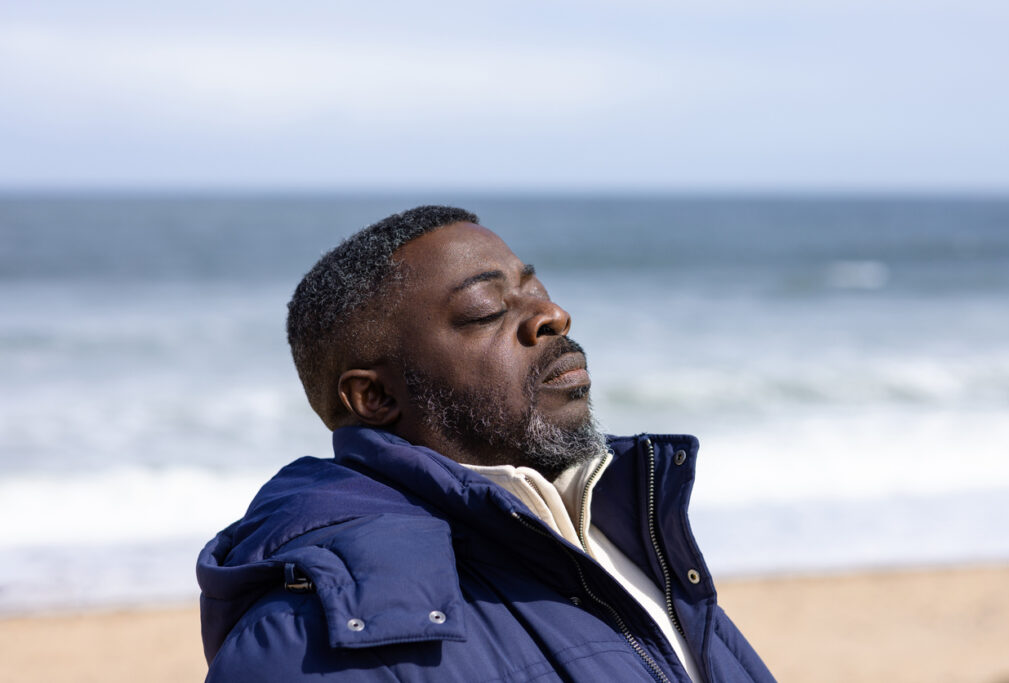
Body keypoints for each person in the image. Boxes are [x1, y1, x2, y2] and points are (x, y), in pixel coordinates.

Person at [197, 206, 776, 682]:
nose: (553, 315)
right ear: (373, 398)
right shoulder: (307, 637)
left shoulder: (621, 538)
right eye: (487, 309)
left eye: (536, 290)